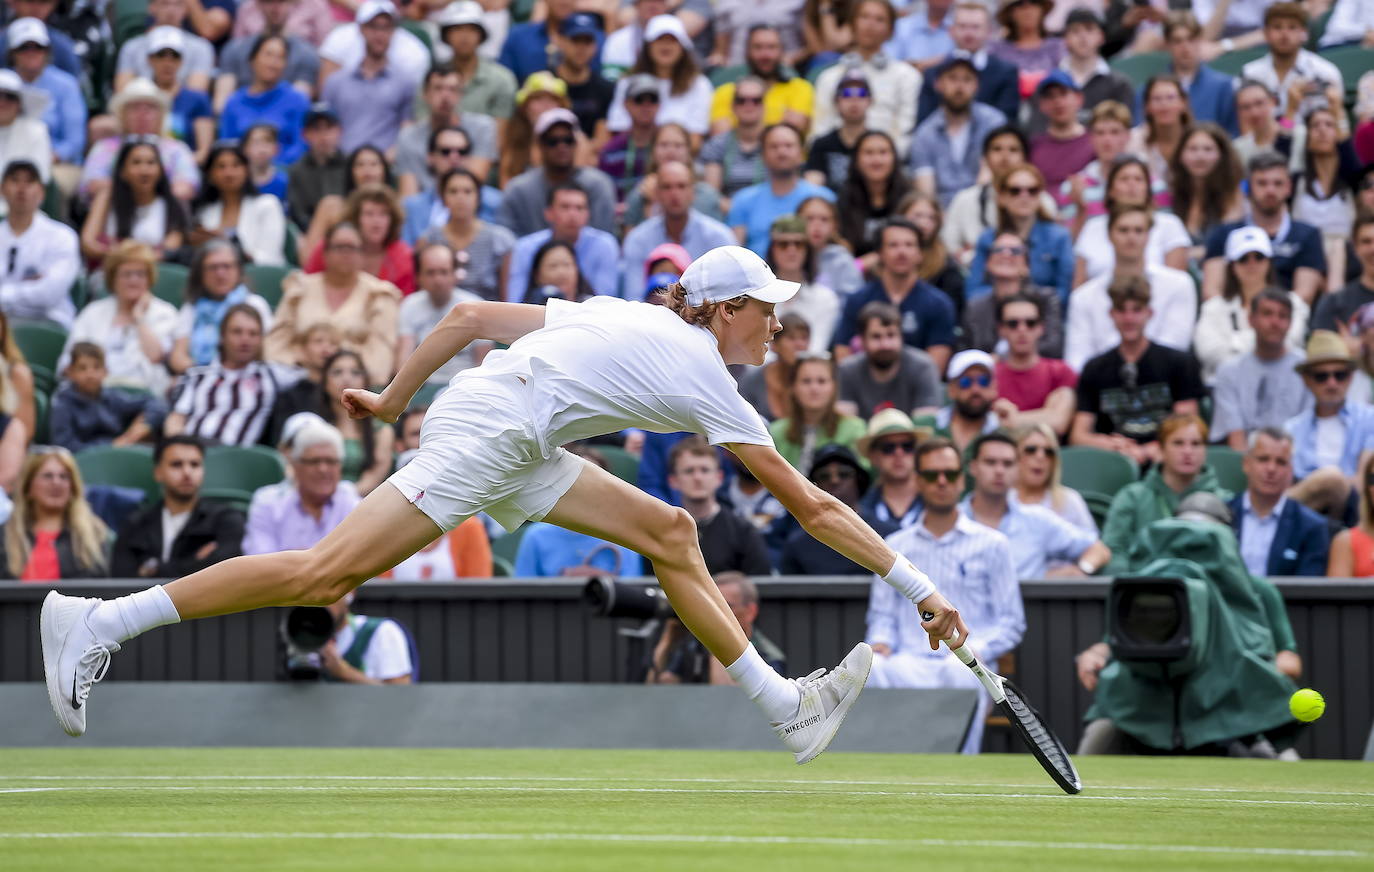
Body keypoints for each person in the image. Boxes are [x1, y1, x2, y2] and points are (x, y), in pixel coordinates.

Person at [40, 246, 971, 766]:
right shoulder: (702, 371)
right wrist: (919, 583)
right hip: (493, 434)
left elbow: (468, 320)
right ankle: (100, 622)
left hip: (510, 427)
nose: (778, 322)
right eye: (766, 307)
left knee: (670, 530)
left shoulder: (629, 314)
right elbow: (811, 507)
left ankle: (783, 708)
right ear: (722, 310)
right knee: (328, 572)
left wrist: (396, 400)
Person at [866, 435, 1023, 754]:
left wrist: (977, 648)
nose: (941, 482)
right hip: (906, 663)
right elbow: (881, 616)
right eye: (931, 475)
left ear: (962, 480)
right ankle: (882, 769)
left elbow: (1012, 622)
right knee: (873, 668)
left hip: (966, 662)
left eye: (949, 474)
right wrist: (880, 644)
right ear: (918, 481)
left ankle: (961, 771)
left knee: (962, 672)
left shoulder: (994, 544)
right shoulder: (893, 546)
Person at [1071, 276, 1205, 466]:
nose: (1129, 318)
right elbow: (1078, 435)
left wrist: (1156, 447)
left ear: (1150, 313)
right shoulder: (1094, 368)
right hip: (1112, 462)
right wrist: (1112, 445)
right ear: (1111, 314)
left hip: (1165, 461)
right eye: (1121, 310)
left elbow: (1188, 426)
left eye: (1136, 310)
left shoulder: (1179, 363)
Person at [1064, 205, 1198, 373]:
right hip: (1101, 384)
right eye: (1123, 230)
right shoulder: (1083, 296)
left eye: (1138, 230)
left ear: (1149, 236)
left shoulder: (1180, 284)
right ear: (1109, 235)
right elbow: (1077, 360)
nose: (1131, 237)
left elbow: (1175, 345)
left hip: (1163, 379)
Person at [961, 431, 1109, 579]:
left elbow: (1097, 548)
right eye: (990, 462)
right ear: (973, 467)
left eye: (1007, 463)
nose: (999, 471)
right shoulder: (951, 517)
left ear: (1016, 467)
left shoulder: (1037, 519)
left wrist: (1080, 570)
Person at [269, 222, 402, 382]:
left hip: (353, 389)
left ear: (362, 255)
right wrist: (303, 365)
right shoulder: (299, 288)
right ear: (325, 253)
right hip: (299, 383)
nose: (346, 253)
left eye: (352, 248)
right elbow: (274, 347)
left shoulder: (379, 294)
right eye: (339, 247)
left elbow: (380, 362)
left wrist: (341, 373)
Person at [1100, 413, 1227, 571]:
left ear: (1205, 450)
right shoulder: (1131, 497)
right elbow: (1114, 549)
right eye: (1178, 443)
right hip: (1142, 589)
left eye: (1196, 444)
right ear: (1161, 449)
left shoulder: (1223, 501)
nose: (1188, 451)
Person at [1201, 152, 1327, 305]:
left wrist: (1270, 317)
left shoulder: (1308, 235)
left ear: (1289, 187)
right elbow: (1211, 291)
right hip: (1231, 320)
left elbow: (1304, 295)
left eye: (1277, 183)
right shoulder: (1224, 234)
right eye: (1262, 183)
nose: (1270, 191)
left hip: (1287, 321)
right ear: (1248, 187)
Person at [111, 435, 246, 578]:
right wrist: (196, 562)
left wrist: (152, 568)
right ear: (158, 473)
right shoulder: (136, 523)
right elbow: (121, 579)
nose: (187, 472)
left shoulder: (225, 520)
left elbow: (223, 573)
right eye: (176, 464)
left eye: (195, 464)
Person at [384, 406, 493, 581]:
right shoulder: (384, 527)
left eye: (432, 433)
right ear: (399, 446)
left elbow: (479, 598)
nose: (426, 441)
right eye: (416, 434)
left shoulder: (470, 527)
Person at [56, 245, 178, 399]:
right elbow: (69, 359)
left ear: (150, 279)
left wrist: (139, 318)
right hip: (93, 394)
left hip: (143, 396)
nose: (133, 280)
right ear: (113, 279)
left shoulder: (165, 313)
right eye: (126, 274)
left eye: (140, 274)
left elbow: (155, 356)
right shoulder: (93, 312)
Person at [166, 304, 297, 447]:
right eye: (237, 332)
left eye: (253, 334)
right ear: (222, 336)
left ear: (261, 340)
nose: (245, 340)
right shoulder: (197, 375)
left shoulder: (272, 375)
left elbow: (312, 371)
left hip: (235, 461)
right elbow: (176, 419)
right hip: (193, 453)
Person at [1195, 228, 1309, 383]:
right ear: (1232, 266)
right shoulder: (1213, 307)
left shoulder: (1293, 303)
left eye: (1259, 257)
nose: (1252, 263)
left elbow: (1290, 343)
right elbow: (1209, 353)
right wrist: (1261, 344)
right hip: (1227, 385)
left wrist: (1235, 343)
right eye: (1243, 258)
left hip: (1282, 383)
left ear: (1269, 262)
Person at [811, 0, 919, 154]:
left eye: (879, 19)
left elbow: (905, 131)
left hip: (885, 162)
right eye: (864, 17)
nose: (870, 25)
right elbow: (820, 129)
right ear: (852, 24)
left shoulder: (907, 76)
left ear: (891, 30)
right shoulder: (829, 77)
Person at [1211, 288, 1311, 450]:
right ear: (1251, 319)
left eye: (1282, 316)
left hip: (1294, 458)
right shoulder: (1228, 371)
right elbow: (1235, 436)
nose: (1275, 322)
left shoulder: (1308, 368)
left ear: (1291, 323)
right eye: (1267, 314)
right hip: (1247, 463)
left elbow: (1308, 431)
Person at [243, 418, 361, 553]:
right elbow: (259, 561)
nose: (323, 469)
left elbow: (363, 557)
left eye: (331, 461)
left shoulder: (351, 501)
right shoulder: (268, 502)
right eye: (314, 461)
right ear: (295, 465)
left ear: (340, 466)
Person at [620, 161, 736, 299]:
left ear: (693, 192)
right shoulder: (637, 239)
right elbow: (634, 300)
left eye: (681, 186)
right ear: (657, 193)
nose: (674, 194)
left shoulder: (720, 238)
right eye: (667, 187)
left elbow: (729, 297)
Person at [942, 125, 1055, 266]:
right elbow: (949, 247)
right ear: (985, 158)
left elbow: (1051, 249)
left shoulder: (1042, 200)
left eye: (1013, 150)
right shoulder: (964, 199)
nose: (1005, 156)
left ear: (1025, 157)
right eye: (997, 149)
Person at [649, 570, 786, 684]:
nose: (715, 613)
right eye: (711, 606)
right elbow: (656, 691)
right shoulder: (693, 645)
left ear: (750, 612)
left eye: (725, 606)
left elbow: (726, 702)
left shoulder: (767, 657)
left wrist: (719, 643)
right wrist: (667, 641)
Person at [499, 108, 618, 238]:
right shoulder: (518, 189)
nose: (561, 147)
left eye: (568, 140)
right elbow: (508, 241)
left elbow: (603, 237)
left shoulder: (599, 185)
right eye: (552, 141)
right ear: (540, 145)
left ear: (576, 144)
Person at [1072, 156, 1190, 286]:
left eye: (1138, 179)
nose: (1132, 185)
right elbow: (1079, 286)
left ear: (1148, 188)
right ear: (1110, 189)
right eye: (1124, 179)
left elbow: (1176, 284)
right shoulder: (1092, 226)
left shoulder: (1170, 224)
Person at [780, 445, 898, 574]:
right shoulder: (797, 545)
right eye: (824, 475)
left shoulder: (890, 536)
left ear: (858, 480)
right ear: (813, 484)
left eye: (844, 473)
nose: (834, 480)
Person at [966, 164, 1074, 304]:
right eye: (1015, 191)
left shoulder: (1059, 237)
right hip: (996, 316)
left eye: (1032, 190)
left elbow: (1065, 293)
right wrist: (1006, 292)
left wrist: (1026, 295)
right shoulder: (987, 239)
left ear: (1040, 196)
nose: (1024, 196)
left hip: (1043, 319)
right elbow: (973, 293)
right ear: (1002, 197)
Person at [1229, 427, 1330, 578]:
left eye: (1281, 462)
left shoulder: (1311, 528)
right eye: (1263, 459)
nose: (1271, 469)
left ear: (1291, 471)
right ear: (1246, 464)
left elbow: (1309, 593)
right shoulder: (1222, 516)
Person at [80, 78, 200, 203]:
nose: (142, 114)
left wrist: (148, 200)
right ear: (122, 114)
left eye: (150, 108)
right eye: (135, 108)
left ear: (161, 115)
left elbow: (188, 186)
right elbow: (91, 184)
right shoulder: (104, 147)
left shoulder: (177, 149)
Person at [319, 2, 417, 155]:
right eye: (373, 27)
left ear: (393, 31)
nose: (379, 34)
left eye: (386, 27)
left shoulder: (404, 82)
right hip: (342, 162)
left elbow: (407, 129)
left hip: (387, 164)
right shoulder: (336, 82)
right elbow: (326, 127)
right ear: (361, 29)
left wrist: (387, 159)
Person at [910, 57, 1006, 211]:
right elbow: (926, 190)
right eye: (952, 78)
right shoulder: (924, 133)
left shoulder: (993, 122)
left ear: (977, 86)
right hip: (941, 214)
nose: (960, 86)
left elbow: (992, 175)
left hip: (986, 206)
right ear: (938, 84)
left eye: (967, 79)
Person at [667, 436, 771, 576]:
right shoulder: (664, 531)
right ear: (673, 481)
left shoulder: (743, 531)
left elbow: (760, 584)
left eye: (705, 470)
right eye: (689, 471)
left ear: (719, 478)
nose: (697, 477)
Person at [169, 241, 275, 374]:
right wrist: (206, 375)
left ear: (238, 270)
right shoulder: (191, 307)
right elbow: (177, 357)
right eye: (213, 267)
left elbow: (270, 352)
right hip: (200, 377)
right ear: (200, 273)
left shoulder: (254, 304)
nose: (220, 273)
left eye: (227, 266)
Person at [0, 450, 108, 580]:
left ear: (72, 488)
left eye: (64, 476)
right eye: (47, 476)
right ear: (28, 488)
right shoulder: (5, 534)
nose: (56, 482)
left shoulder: (93, 533)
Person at [728, 123, 834, 257]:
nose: (782, 152)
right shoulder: (743, 200)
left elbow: (832, 250)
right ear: (762, 155)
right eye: (774, 146)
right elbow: (735, 253)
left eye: (789, 146)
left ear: (802, 154)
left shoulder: (823, 198)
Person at [1023, 9, 1132, 138]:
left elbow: (1125, 130)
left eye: (1089, 29)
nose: (1083, 36)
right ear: (1065, 39)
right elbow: (1037, 131)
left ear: (1101, 37)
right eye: (1075, 31)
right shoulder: (1047, 84)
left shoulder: (1119, 84)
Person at [79, 139, 189, 264]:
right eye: (136, 163)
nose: (144, 170)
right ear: (122, 171)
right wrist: (123, 256)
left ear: (160, 171)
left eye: (151, 163)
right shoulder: (106, 196)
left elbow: (169, 249)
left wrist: (125, 255)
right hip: (110, 272)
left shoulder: (172, 203)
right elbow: (88, 243)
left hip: (154, 273)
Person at [1285, 330, 1374, 484]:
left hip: (1354, 505)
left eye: (1340, 375)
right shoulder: (1291, 430)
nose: (1332, 384)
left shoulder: (1369, 419)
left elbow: (1364, 482)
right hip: (1301, 505)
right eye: (1321, 376)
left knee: (1331, 479)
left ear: (1351, 377)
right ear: (1306, 379)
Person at [1058, 102, 1160, 236]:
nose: (1107, 140)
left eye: (1115, 132)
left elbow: (1161, 235)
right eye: (1100, 133)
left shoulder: (1155, 186)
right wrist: (1081, 210)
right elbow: (1068, 244)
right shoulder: (1072, 188)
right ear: (1091, 138)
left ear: (1128, 135)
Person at [1292, 103, 1364, 292]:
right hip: (1304, 257)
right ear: (1306, 136)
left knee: (1338, 250)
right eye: (1315, 126)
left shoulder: (1351, 181)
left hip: (1348, 257)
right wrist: (1291, 109)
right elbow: (1281, 145)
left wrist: (1340, 112)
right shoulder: (1296, 180)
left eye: (1329, 125)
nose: (1322, 130)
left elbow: (1353, 165)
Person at [0, 156, 78, 328]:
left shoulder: (62, 236)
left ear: (41, 192)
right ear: (2, 189)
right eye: (14, 180)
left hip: (50, 321)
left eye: (29, 181)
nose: (21, 188)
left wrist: (5, 294)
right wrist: (29, 288)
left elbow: (49, 293)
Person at [506, 183, 619, 302]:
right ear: (548, 213)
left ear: (588, 214)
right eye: (565, 207)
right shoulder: (525, 247)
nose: (573, 214)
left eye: (579, 208)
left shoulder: (605, 245)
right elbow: (515, 301)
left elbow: (605, 302)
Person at [417, 168, 516, 303]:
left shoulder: (500, 240)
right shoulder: (429, 239)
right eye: (453, 191)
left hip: (487, 317)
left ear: (478, 197)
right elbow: (422, 291)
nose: (460, 197)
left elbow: (506, 297)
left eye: (468, 191)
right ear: (443, 198)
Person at [605, 15, 711, 140]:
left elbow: (696, 138)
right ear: (648, 45)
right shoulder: (627, 83)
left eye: (672, 40)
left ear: (683, 47)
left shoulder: (699, 85)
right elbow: (618, 130)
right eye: (659, 39)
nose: (665, 45)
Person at [915, 2, 1020, 125]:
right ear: (951, 31)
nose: (969, 33)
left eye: (976, 27)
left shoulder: (1006, 72)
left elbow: (1007, 121)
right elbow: (924, 121)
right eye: (962, 26)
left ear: (989, 31)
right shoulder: (933, 73)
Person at [398, 243, 487, 387]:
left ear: (454, 274)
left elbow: (483, 365)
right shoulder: (409, 306)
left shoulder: (476, 306)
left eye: (444, 272)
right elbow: (403, 361)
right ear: (419, 277)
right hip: (421, 389)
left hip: (464, 387)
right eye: (431, 273)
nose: (438, 280)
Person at [961, 234, 1063, 360]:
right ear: (987, 263)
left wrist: (1003, 358)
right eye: (998, 250)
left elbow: (1053, 348)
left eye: (1015, 251)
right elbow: (965, 354)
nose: (1006, 254)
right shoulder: (976, 307)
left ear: (1027, 265)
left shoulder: (1046, 299)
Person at [5, 17, 83, 180]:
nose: (31, 53)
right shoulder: (4, 82)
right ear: (12, 53)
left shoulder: (66, 85)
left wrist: (48, 157)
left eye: (38, 47)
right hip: (7, 157)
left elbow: (75, 141)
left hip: (56, 162)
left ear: (47, 51)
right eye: (24, 47)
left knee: (51, 182)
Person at [50, 343, 165, 453]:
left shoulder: (112, 397)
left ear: (105, 371)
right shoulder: (62, 405)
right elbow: (65, 447)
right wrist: (111, 446)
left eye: (96, 367)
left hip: (120, 455)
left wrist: (144, 426)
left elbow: (156, 403)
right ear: (70, 372)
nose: (90, 374)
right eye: (82, 368)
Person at [1240, 2, 1344, 124]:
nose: (1284, 34)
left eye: (1292, 27)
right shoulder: (1250, 74)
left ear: (1304, 33)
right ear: (1266, 34)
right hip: (1264, 141)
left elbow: (1335, 123)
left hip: (1311, 141)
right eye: (1277, 27)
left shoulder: (1325, 72)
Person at [190, 140, 288, 268]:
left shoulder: (268, 205)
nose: (229, 173)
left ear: (247, 170)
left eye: (236, 165)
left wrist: (226, 243)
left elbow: (269, 258)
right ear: (210, 175)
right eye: (221, 166)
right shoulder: (204, 211)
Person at [218, 34, 311, 167]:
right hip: (243, 176)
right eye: (268, 55)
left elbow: (301, 145)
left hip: (287, 175)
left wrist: (271, 167)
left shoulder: (297, 100)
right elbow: (227, 146)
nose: (273, 63)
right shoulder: (234, 103)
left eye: (280, 57)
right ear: (252, 59)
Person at [304, 185, 413, 296]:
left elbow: (404, 303)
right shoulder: (331, 246)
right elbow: (308, 285)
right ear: (355, 218)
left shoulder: (404, 256)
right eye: (369, 214)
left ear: (392, 220)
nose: (376, 222)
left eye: (383, 214)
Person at [991, 294, 1076, 436]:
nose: (1022, 330)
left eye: (1030, 323)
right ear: (1001, 329)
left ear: (1041, 328)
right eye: (1013, 324)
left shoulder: (1061, 372)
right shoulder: (990, 374)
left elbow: (1058, 422)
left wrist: (1009, 420)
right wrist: (1043, 415)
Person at [214, 0, 318, 114]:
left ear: (292, 4)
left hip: (282, 123)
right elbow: (221, 104)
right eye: (268, 2)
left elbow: (299, 107)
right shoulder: (235, 49)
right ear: (258, 5)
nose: (275, 8)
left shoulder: (306, 53)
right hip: (242, 121)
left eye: (282, 2)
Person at [709, 24, 813, 136]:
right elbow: (721, 135)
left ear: (782, 51)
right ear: (747, 52)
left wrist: (745, 124)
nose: (765, 55)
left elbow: (793, 131)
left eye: (771, 47)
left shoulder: (800, 88)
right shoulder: (726, 92)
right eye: (758, 47)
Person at [768, 353, 866, 473]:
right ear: (793, 387)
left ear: (834, 387)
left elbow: (864, 474)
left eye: (821, 381)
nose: (814, 388)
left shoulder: (854, 429)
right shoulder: (775, 432)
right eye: (806, 381)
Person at [1152, 11, 1238, 135]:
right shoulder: (1152, 90)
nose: (1185, 47)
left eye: (1191, 39)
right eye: (1177, 41)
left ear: (1200, 41)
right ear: (1167, 44)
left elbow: (1233, 134)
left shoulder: (1223, 86)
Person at [1169, 123, 1247, 254]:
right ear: (1180, 155)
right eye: (1193, 149)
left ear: (1222, 155)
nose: (1200, 156)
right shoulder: (1171, 193)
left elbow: (1226, 245)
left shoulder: (1234, 196)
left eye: (1208, 149)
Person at [400, 125, 485, 245]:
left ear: (470, 157)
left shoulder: (494, 203)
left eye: (462, 152)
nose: (454, 157)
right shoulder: (410, 207)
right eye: (446, 151)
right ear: (430, 157)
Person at [769, 216, 840, 351]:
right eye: (783, 244)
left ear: (807, 250)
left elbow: (816, 349)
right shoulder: (757, 297)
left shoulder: (825, 299)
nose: (791, 250)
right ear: (772, 249)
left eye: (798, 244)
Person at [436, 0, 517, 120]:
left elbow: (500, 134)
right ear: (446, 35)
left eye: (471, 29)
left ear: (481, 35)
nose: (464, 36)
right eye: (457, 29)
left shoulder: (502, 80)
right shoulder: (434, 80)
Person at [114, 0, 215, 94]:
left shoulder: (202, 47)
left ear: (186, 9)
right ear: (152, 7)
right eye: (164, 3)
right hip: (141, 108)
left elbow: (196, 94)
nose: (171, 10)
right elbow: (123, 93)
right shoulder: (131, 47)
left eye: (177, 4)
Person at [914, 349, 1003, 454]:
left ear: (994, 387)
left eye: (983, 381)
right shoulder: (925, 426)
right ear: (951, 389)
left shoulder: (1002, 431)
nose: (975, 389)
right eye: (965, 382)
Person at [1013, 422, 1096, 534]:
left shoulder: (1070, 500)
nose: (1041, 457)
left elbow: (1095, 547)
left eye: (1049, 452)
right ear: (1013, 455)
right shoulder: (999, 499)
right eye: (1031, 450)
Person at [853, 409, 924, 531]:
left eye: (907, 446)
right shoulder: (861, 508)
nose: (899, 453)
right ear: (872, 456)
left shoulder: (936, 499)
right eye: (888, 448)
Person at [802, 67, 870, 192]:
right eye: (847, 93)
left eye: (861, 93)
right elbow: (812, 188)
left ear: (870, 101)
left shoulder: (878, 143)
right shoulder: (822, 144)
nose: (854, 99)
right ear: (836, 101)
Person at [702, 75, 767, 202]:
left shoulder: (776, 143)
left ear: (764, 106)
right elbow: (712, 194)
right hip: (728, 212)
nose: (749, 105)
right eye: (741, 100)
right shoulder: (717, 144)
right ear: (733, 106)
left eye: (756, 100)